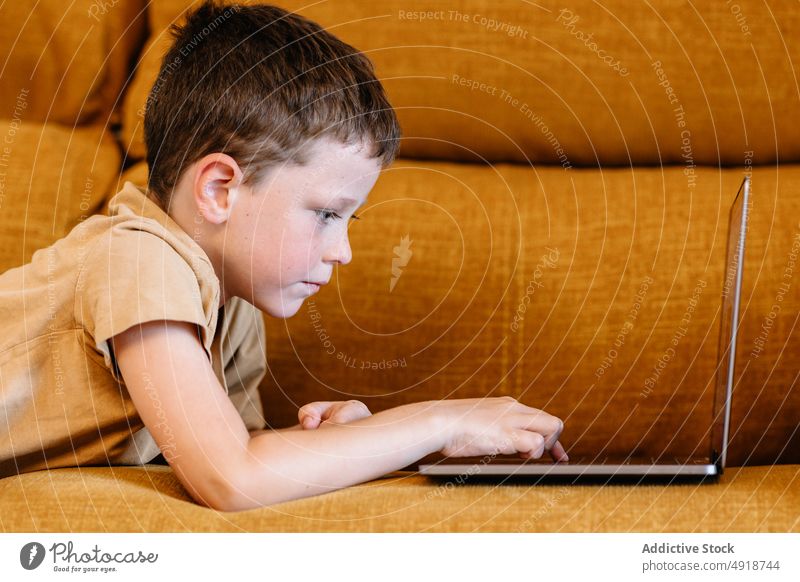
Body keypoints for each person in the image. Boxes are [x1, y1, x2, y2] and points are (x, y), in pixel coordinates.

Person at [0, 0, 567, 511]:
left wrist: (345, 442)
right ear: (220, 189)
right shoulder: (140, 261)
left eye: (350, 220)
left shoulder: (231, 297)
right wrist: (436, 422)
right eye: (325, 214)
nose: (342, 251)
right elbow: (229, 478)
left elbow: (239, 452)